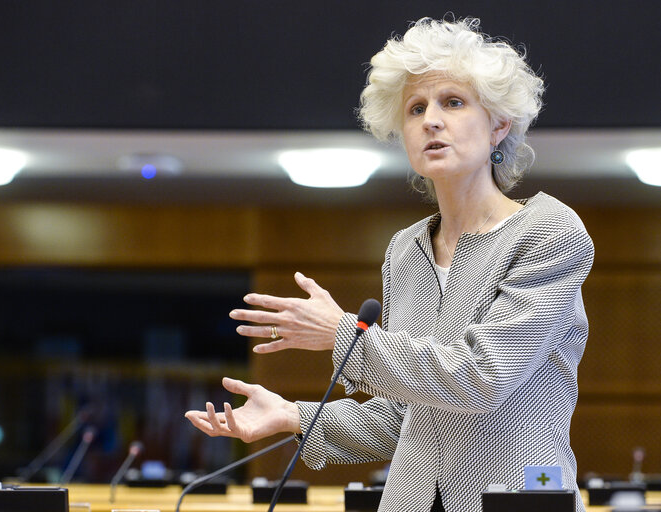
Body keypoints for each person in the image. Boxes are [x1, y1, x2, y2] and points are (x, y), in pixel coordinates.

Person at [185, 16, 593, 512]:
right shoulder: (405, 251)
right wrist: (294, 415)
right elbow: (403, 419)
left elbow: (483, 378)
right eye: (416, 108)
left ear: (499, 125)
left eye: (454, 102)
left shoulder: (549, 232)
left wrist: (343, 335)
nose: (431, 120)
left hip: (520, 495)